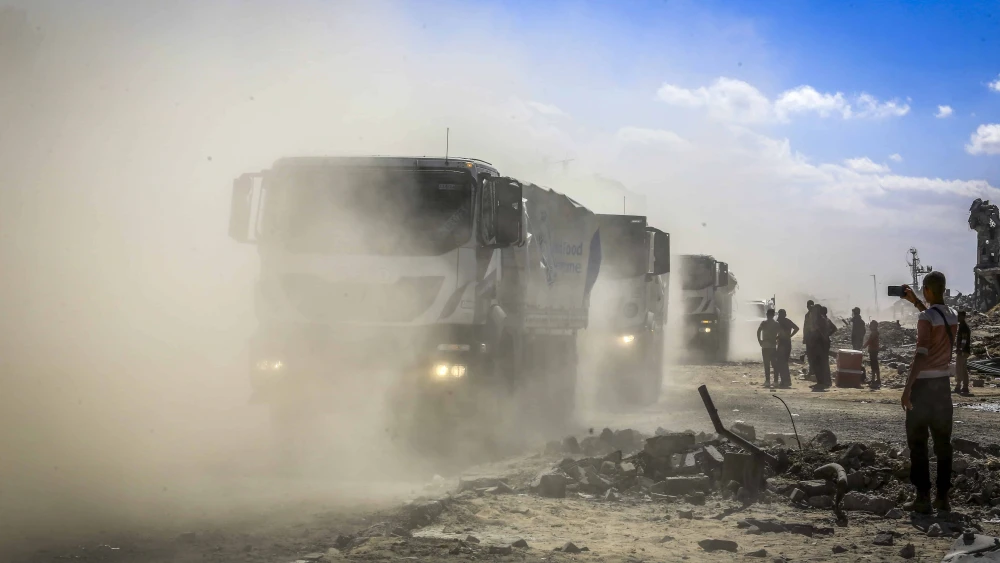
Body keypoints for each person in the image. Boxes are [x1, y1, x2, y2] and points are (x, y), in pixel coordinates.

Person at [900, 271, 957, 514]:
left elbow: (921, 354)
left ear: (928, 290)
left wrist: (907, 388)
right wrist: (915, 302)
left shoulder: (926, 317)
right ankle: (943, 498)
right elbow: (934, 317)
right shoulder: (951, 315)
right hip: (943, 386)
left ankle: (922, 497)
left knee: (918, 442)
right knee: (943, 444)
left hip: (923, 387)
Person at [775, 309, 799, 388]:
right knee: (784, 362)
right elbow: (796, 328)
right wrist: (790, 336)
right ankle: (785, 381)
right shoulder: (788, 321)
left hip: (782, 344)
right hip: (787, 343)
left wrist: (776, 338)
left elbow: (780, 333)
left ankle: (785, 381)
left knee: (781, 362)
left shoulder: (779, 322)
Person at [757, 308, 780, 388]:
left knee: (766, 364)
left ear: (767, 315)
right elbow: (780, 334)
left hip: (765, 345)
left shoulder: (764, 323)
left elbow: (758, 331)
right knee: (775, 364)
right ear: (773, 315)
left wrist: (760, 341)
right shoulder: (776, 324)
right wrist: (776, 339)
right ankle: (775, 381)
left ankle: (767, 381)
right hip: (772, 346)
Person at [816, 305, 837, 387]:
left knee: (821, 361)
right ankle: (827, 380)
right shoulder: (827, 320)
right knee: (825, 361)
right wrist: (828, 335)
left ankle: (823, 381)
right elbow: (834, 328)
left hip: (822, 342)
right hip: (826, 341)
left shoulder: (822, 320)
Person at [954, 311, 971, 395]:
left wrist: (960, 349)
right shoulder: (962, 326)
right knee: (963, 369)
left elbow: (964, 340)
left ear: (963, 317)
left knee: (959, 368)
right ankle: (965, 387)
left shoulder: (963, 327)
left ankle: (958, 386)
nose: (958, 318)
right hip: (965, 351)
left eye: (959, 316)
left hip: (963, 351)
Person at [863, 320, 881, 389]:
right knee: (875, 364)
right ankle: (876, 379)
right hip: (874, 350)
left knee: (874, 365)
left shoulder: (874, 333)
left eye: (871, 325)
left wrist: (864, 346)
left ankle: (874, 380)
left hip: (873, 350)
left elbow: (870, 341)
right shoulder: (875, 332)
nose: (870, 326)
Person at [803, 300, 816, 378]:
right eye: (809, 306)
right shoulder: (807, 315)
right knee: (810, 355)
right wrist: (805, 337)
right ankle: (811, 370)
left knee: (814, 355)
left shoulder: (816, 315)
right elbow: (805, 327)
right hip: (809, 338)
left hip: (815, 338)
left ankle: (814, 371)